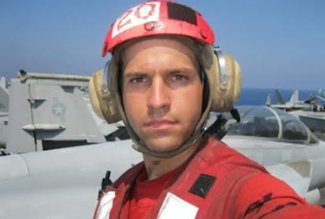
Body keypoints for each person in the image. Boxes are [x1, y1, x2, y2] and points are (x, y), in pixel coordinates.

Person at [89, 1, 325, 218]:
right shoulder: (116, 192)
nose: (157, 101)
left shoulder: (242, 189)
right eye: (138, 80)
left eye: (178, 77)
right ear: (112, 94)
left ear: (210, 87)